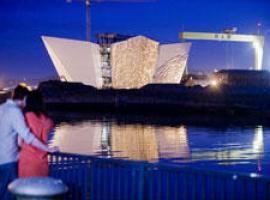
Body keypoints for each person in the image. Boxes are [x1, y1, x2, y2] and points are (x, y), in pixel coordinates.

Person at [0, 85, 56, 200]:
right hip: (9, 159)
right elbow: (27, 136)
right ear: (24, 98)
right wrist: (48, 149)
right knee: (12, 193)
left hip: (4, 159)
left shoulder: (2, 107)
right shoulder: (15, 112)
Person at [19, 89, 54, 177]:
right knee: (41, 188)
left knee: (25, 189)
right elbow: (49, 127)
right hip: (42, 162)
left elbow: (19, 141)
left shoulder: (25, 117)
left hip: (26, 160)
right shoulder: (47, 119)